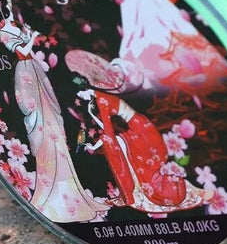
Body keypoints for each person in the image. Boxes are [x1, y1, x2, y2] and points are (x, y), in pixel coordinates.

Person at [0, 0, 108, 223]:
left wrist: (27, 31)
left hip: (35, 69)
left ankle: (69, 182)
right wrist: (32, 38)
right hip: (26, 71)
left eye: (0, 2)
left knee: (52, 118)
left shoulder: (14, 23)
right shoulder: (3, 30)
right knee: (39, 119)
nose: (0, 5)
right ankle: (51, 185)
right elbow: (22, 51)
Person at [72, 74, 205, 215]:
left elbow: (108, 132)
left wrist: (95, 99)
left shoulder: (132, 135)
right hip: (135, 144)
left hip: (137, 142)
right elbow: (108, 131)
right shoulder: (138, 140)